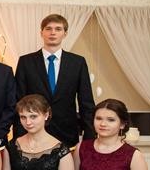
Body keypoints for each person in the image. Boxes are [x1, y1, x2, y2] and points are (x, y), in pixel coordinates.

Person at [15, 14, 95, 146]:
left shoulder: (77, 62)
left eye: (58, 29)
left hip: (67, 132)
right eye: (48, 29)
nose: (53, 32)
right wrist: (19, 135)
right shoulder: (26, 62)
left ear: (65, 33)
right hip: (32, 132)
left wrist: (89, 137)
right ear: (41, 33)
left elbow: (86, 102)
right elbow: (19, 100)